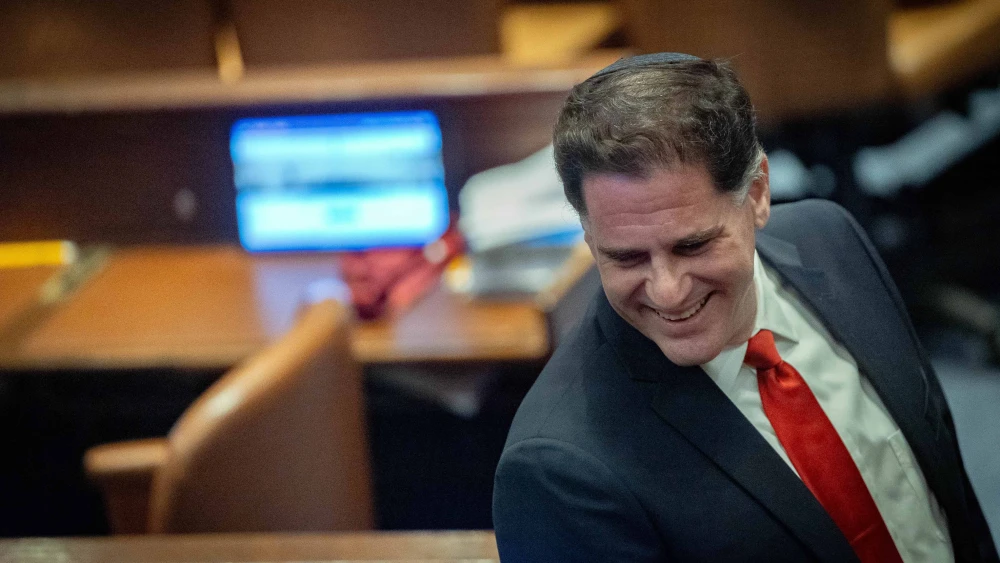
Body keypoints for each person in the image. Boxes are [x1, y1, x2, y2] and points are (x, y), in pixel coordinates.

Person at [492, 53, 998, 563]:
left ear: (757, 192)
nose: (667, 291)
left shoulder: (832, 240)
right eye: (626, 257)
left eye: (693, 246)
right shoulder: (559, 471)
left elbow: (947, 498)